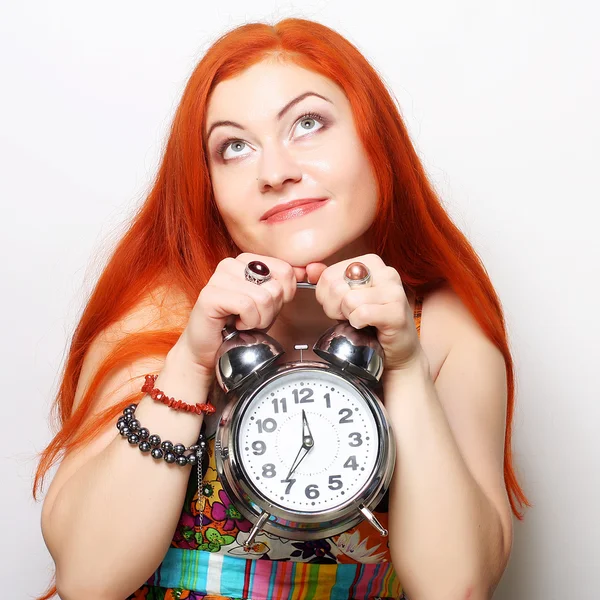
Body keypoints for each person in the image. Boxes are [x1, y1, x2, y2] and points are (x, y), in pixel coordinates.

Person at [34, 17, 529, 600]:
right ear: (207, 184)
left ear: (377, 139)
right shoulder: (158, 314)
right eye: (235, 147)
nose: (275, 172)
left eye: (308, 123)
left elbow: (456, 588)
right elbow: (87, 580)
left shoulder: (444, 327)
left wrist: (405, 366)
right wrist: (191, 364)